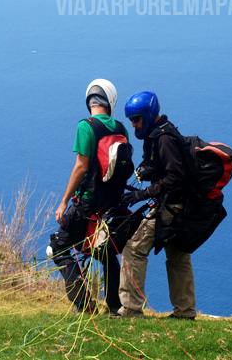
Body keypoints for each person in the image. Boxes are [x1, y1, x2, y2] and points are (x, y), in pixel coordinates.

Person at [48, 79, 129, 315]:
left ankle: (85, 305)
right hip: (112, 205)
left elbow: (81, 167)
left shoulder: (86, 127)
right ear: (110, 101)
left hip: (87, 204)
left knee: (59, 248)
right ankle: (116, 306)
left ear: (89, 102)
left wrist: (64, 202)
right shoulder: (121, 129)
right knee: (105, 251)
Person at [114, 91, 197, 320]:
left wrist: (144, 193)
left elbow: (175, 177)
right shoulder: (158, 134)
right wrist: (147, 170)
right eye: (131, 120)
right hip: (178, 204)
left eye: (136, 119)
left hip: (171, 206)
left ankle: (130, 310)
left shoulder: (164, 138)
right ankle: (185, 312)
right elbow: (166, 170)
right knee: (178, 255)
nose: (133, 125)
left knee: (133, 249)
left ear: (149, 114)